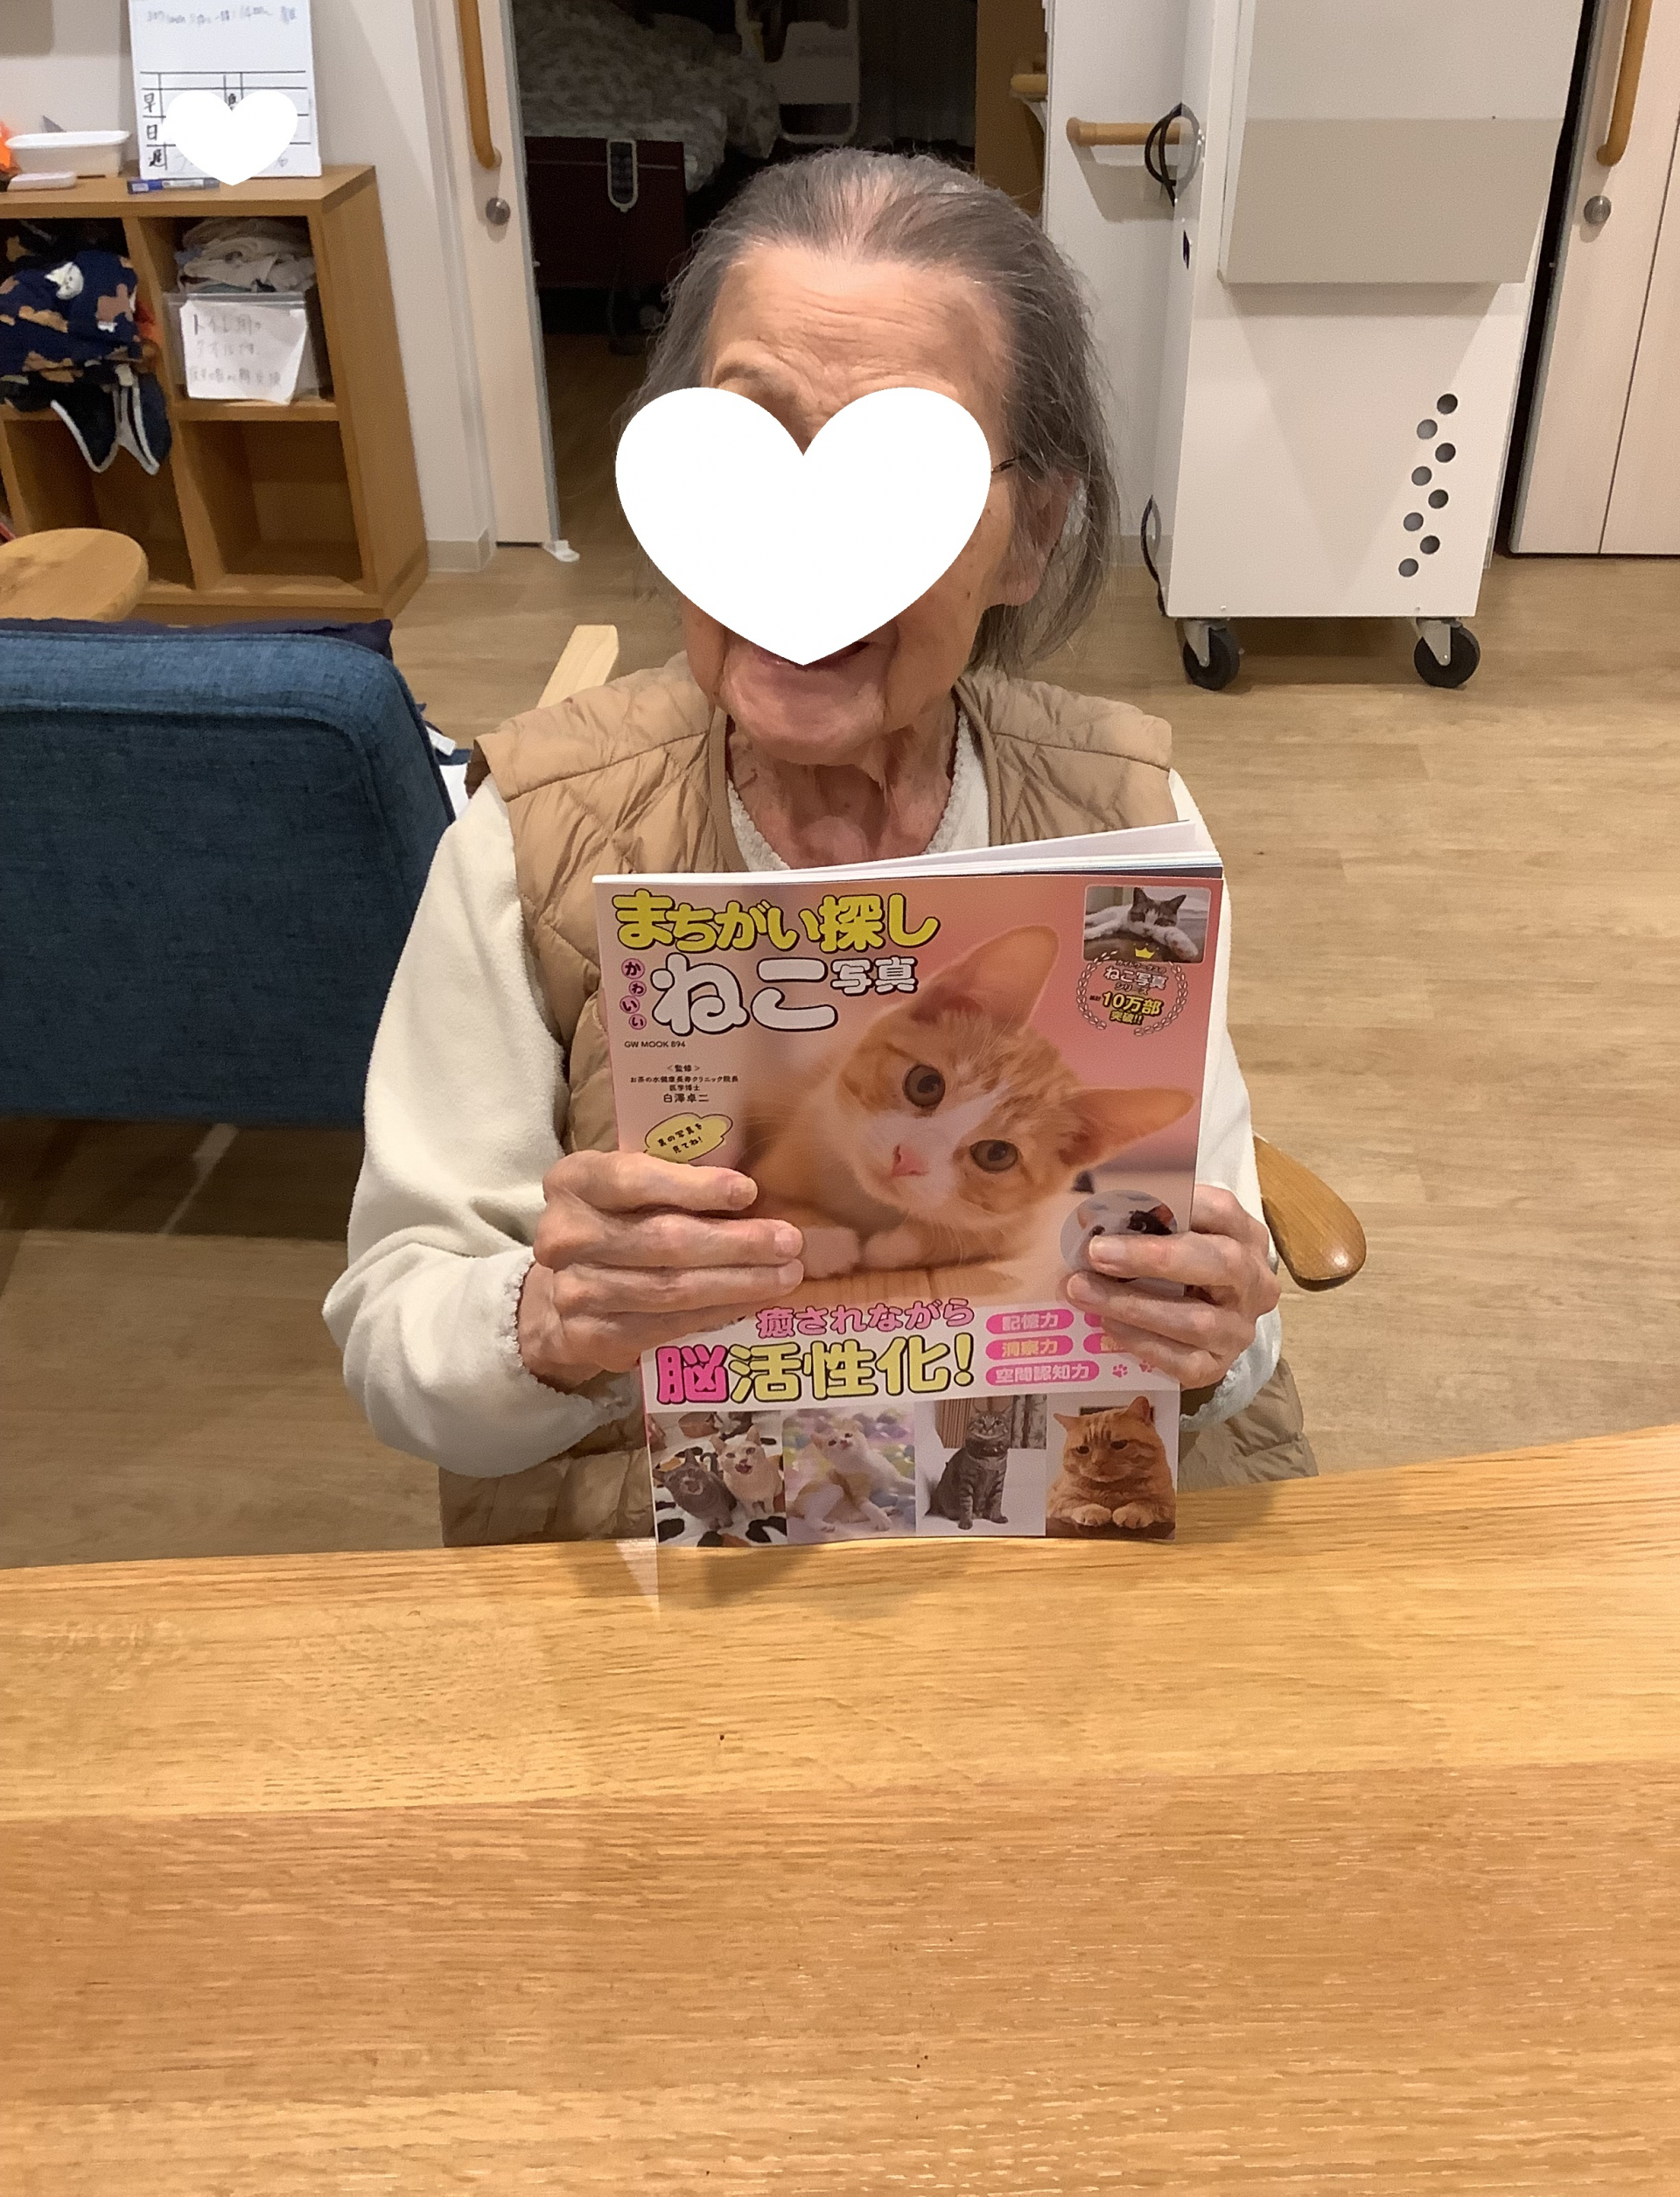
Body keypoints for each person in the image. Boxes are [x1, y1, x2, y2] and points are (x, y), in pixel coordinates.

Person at [324, 149, 1313, 1546]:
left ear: (1029, 536)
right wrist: (543, 1320)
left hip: (1048, 1539)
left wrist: (1215, 1323)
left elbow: (1216, 1278)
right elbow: (393, 1325)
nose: (806, 555)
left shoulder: (1126, 826)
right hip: (671, 1554)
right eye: (751, 453)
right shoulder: (528, 837)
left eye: (901, 483)